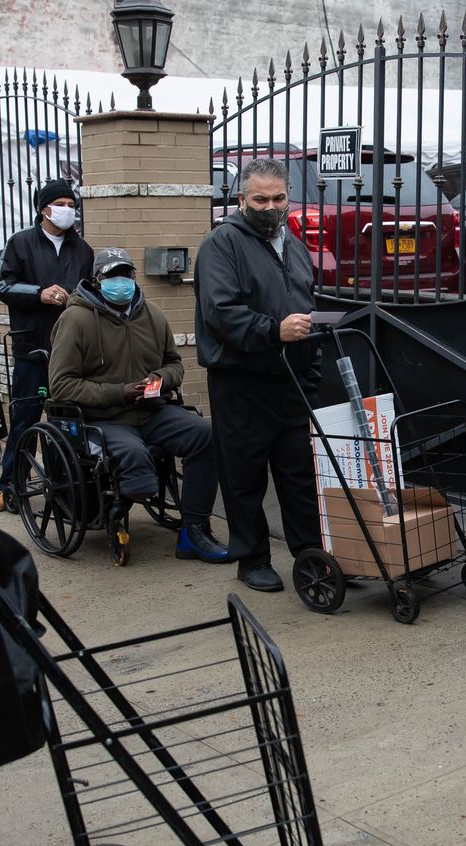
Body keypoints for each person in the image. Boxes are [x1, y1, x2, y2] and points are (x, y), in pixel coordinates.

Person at [49, 247, 229, 562]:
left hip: (152, 410)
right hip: (102, 419)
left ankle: (194, 531)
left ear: (134, 277)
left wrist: (160, 378)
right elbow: (62, 386)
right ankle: (119, 508)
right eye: (112, 276)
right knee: (137, 466)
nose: (120, 282)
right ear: (97, 280)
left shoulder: (153, 315)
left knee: (206, 435)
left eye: (126, 275)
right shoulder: (75, 320)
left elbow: (175, 364)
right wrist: (120, 392)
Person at [193, 157, 323, 593]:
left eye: (279, 198)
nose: (271, 206)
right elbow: (221, 312)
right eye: (260, 199)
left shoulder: (295, 244)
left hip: (289, 381)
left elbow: (306, 302)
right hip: (241, 380)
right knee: (244, 476)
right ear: (242, 199)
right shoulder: (222, 243)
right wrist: (274, 331)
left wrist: (310, 365)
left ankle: (311, 558)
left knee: (299, 476)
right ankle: (251, 558)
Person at [0, 178, 93, 512]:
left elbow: (90, 289)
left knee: (66, 421)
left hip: (71, 349)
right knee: (25, 418)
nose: (67, 210)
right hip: (32, 346)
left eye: (71, 204)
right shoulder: (21, 243)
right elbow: (3, 285)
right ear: (44, 209)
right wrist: (39, 293)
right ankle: (11, 485)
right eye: (61, 204)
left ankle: (63, 484)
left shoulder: (82, 249)